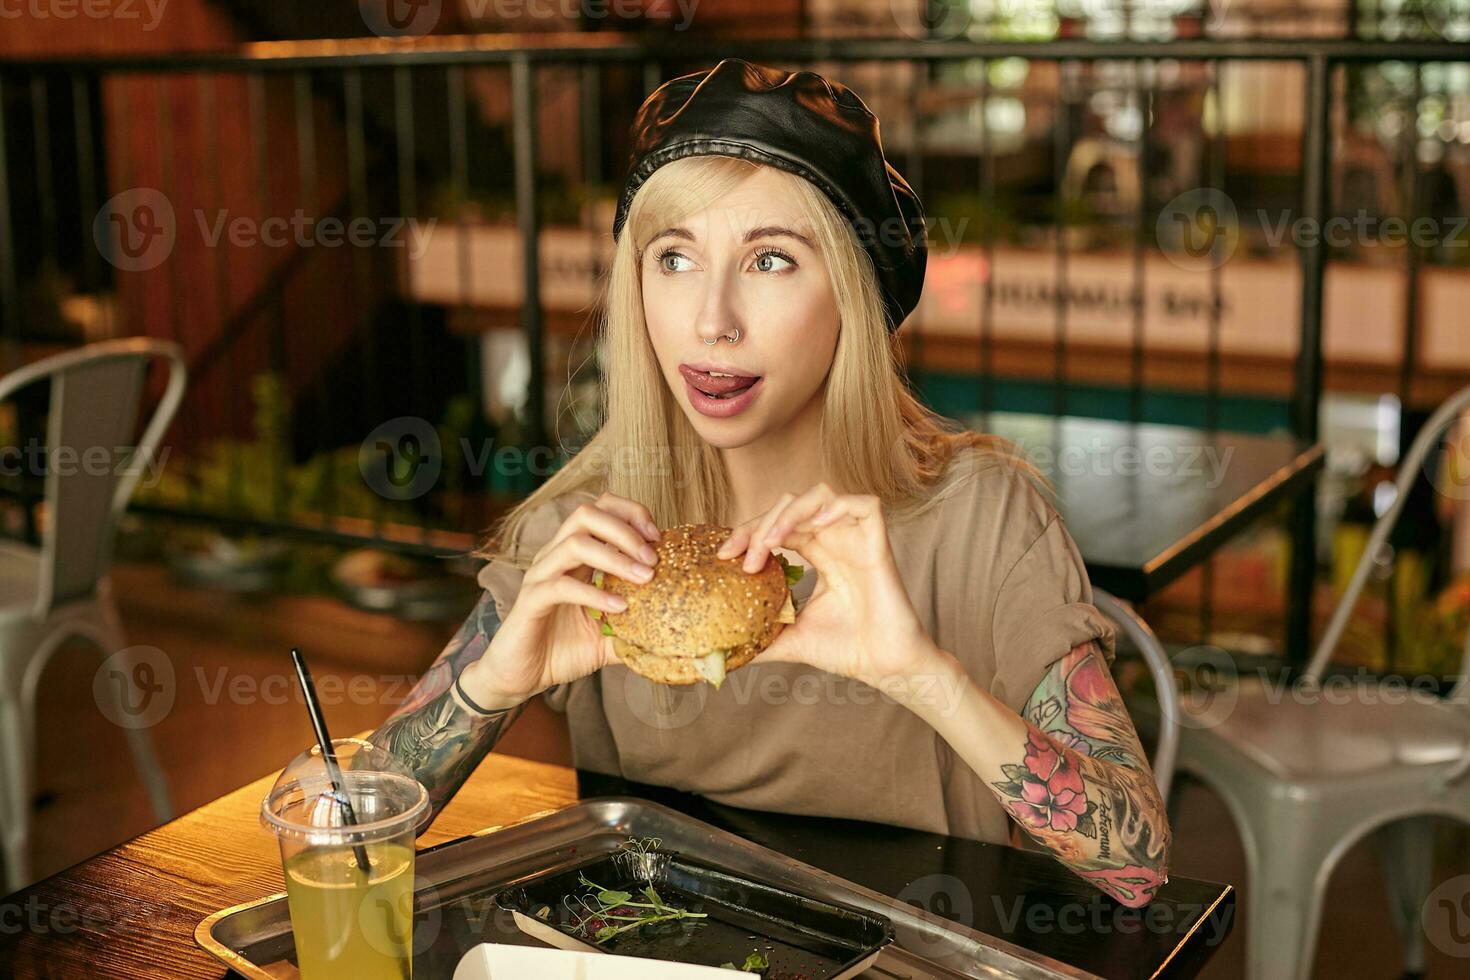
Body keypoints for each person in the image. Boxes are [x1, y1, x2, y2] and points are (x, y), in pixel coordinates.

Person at [368, 58, 1171, 908]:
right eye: (674, 258)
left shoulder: (980, 515)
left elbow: (1139, 862)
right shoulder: (592, 530)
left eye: (772, 261)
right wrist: (492, 683)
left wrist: (918, 673)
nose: (712, 319)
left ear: (854, 297)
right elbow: (343, 823)